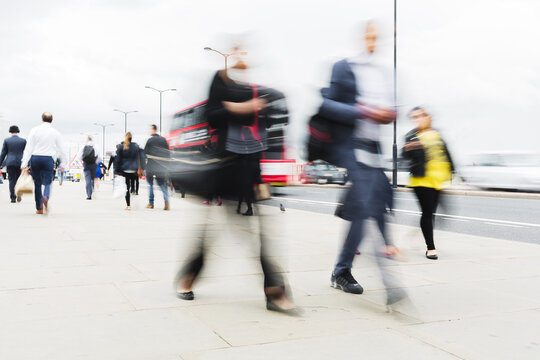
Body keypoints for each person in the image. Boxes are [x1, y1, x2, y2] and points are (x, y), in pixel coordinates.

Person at [175, 47, 298, 314]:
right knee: (210, 233)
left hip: (249, 170)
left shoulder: (257, 89)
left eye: (247, 51)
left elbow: (264, 132)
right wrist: (243, 107)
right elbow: (213, 115)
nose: (243, 55)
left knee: (262, 233)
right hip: (222, 169)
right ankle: (188, 277)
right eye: (238, 51)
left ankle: (274, 291)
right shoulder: (220, 80)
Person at [319, 23, 403, 303]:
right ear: (362, 37)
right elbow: (326, 105)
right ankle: (389, 281)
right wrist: (363, 110)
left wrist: (388, 114)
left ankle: (341, 271)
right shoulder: (344, 67)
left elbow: (390, 111)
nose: (373, 40)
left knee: (375, 202)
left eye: (378, 36)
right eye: (369, 34)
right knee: (367, 202)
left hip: (372, 147)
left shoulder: (382, 74)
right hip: (349, 145)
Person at [403, 106, 454, 260]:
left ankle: (422, 230)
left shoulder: (437, 134)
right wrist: (410, 150)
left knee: (439, 211)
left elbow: (446, 153)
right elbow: (405, 156)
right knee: (427, 212)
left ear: (428, 117)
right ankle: (430, 248)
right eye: (414, 117)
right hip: (421, 179)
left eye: (420, 116)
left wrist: (453, 169)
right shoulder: (411, 136)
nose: (418, 119)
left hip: (439, 179)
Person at [21, 112, 67, 214]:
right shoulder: (55, 132)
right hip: (48, 159)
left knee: (37, 183)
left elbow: (29, 148)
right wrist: (63, 163)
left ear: (42, 119)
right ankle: (46, 196)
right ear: (52, 120)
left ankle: (39, 208)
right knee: (48, 181)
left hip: (35, 158)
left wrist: (24, 163)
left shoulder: (34, 130)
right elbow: (62, 149)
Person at [114, 132, 144, 210]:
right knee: (134, 183)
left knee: (127, 187)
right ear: (131, 138)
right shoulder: (136, 146)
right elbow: (142, 156)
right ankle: (134, 192)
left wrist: (117, 171)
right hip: (134, 169)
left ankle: (128, 205)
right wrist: (142, 168)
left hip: (125, 170)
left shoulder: (121, 146)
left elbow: (117, 159)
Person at [144, 124, 170, 210]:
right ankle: (166, 202)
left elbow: (145, 154)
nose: (150, 131)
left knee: (150, 184)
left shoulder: (150, 140)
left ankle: (151, 203)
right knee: (162, 184)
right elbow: (168, 153)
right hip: (161, 166)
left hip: (151, 166)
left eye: (150, 129)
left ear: (154, 130)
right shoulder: (163, 140)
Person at [0, 125, 27, 203]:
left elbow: (3, 153)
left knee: (12, 180)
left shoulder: (7, 140)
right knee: (19, 180)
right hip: (20, 163)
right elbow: (27, 152)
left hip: (10, 162)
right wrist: (28, 163)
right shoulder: (23, 141)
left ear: (10, 131)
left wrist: (0, 163)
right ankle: (19, 193)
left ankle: (13, 198)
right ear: (18, 131)